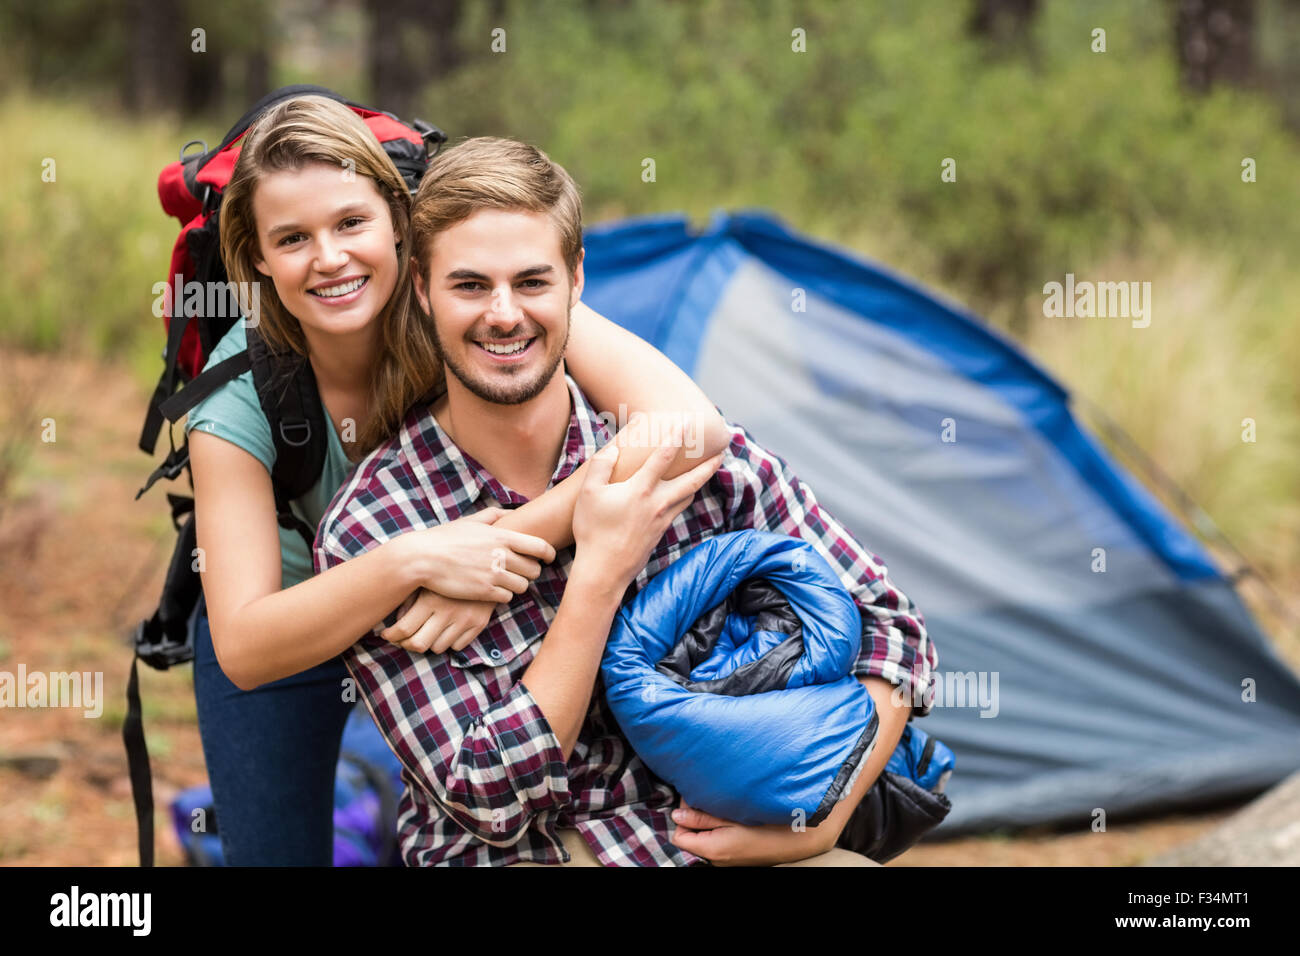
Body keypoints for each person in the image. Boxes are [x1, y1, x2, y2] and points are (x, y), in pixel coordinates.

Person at [314, 136, 937, 866]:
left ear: (577, 282)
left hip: (721, 844)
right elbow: (490, 799)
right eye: (471, 286)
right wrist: (598, 576)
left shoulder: (688, 456)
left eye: (533, 282)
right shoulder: (378, 523)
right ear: (421, 289)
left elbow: (893, 630)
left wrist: (824, 819)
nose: (505, 314)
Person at [184, 96, 730, 866]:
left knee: (472, 808)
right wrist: (412, 562)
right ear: (260, 258)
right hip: (299, 618)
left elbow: (693, 427)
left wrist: (491, 549)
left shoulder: (472, 301)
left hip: (465, 603)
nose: (330, 257)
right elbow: (244, 643)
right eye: (292, 239)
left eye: (351, 223)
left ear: (399, 224)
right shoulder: (234, 395)